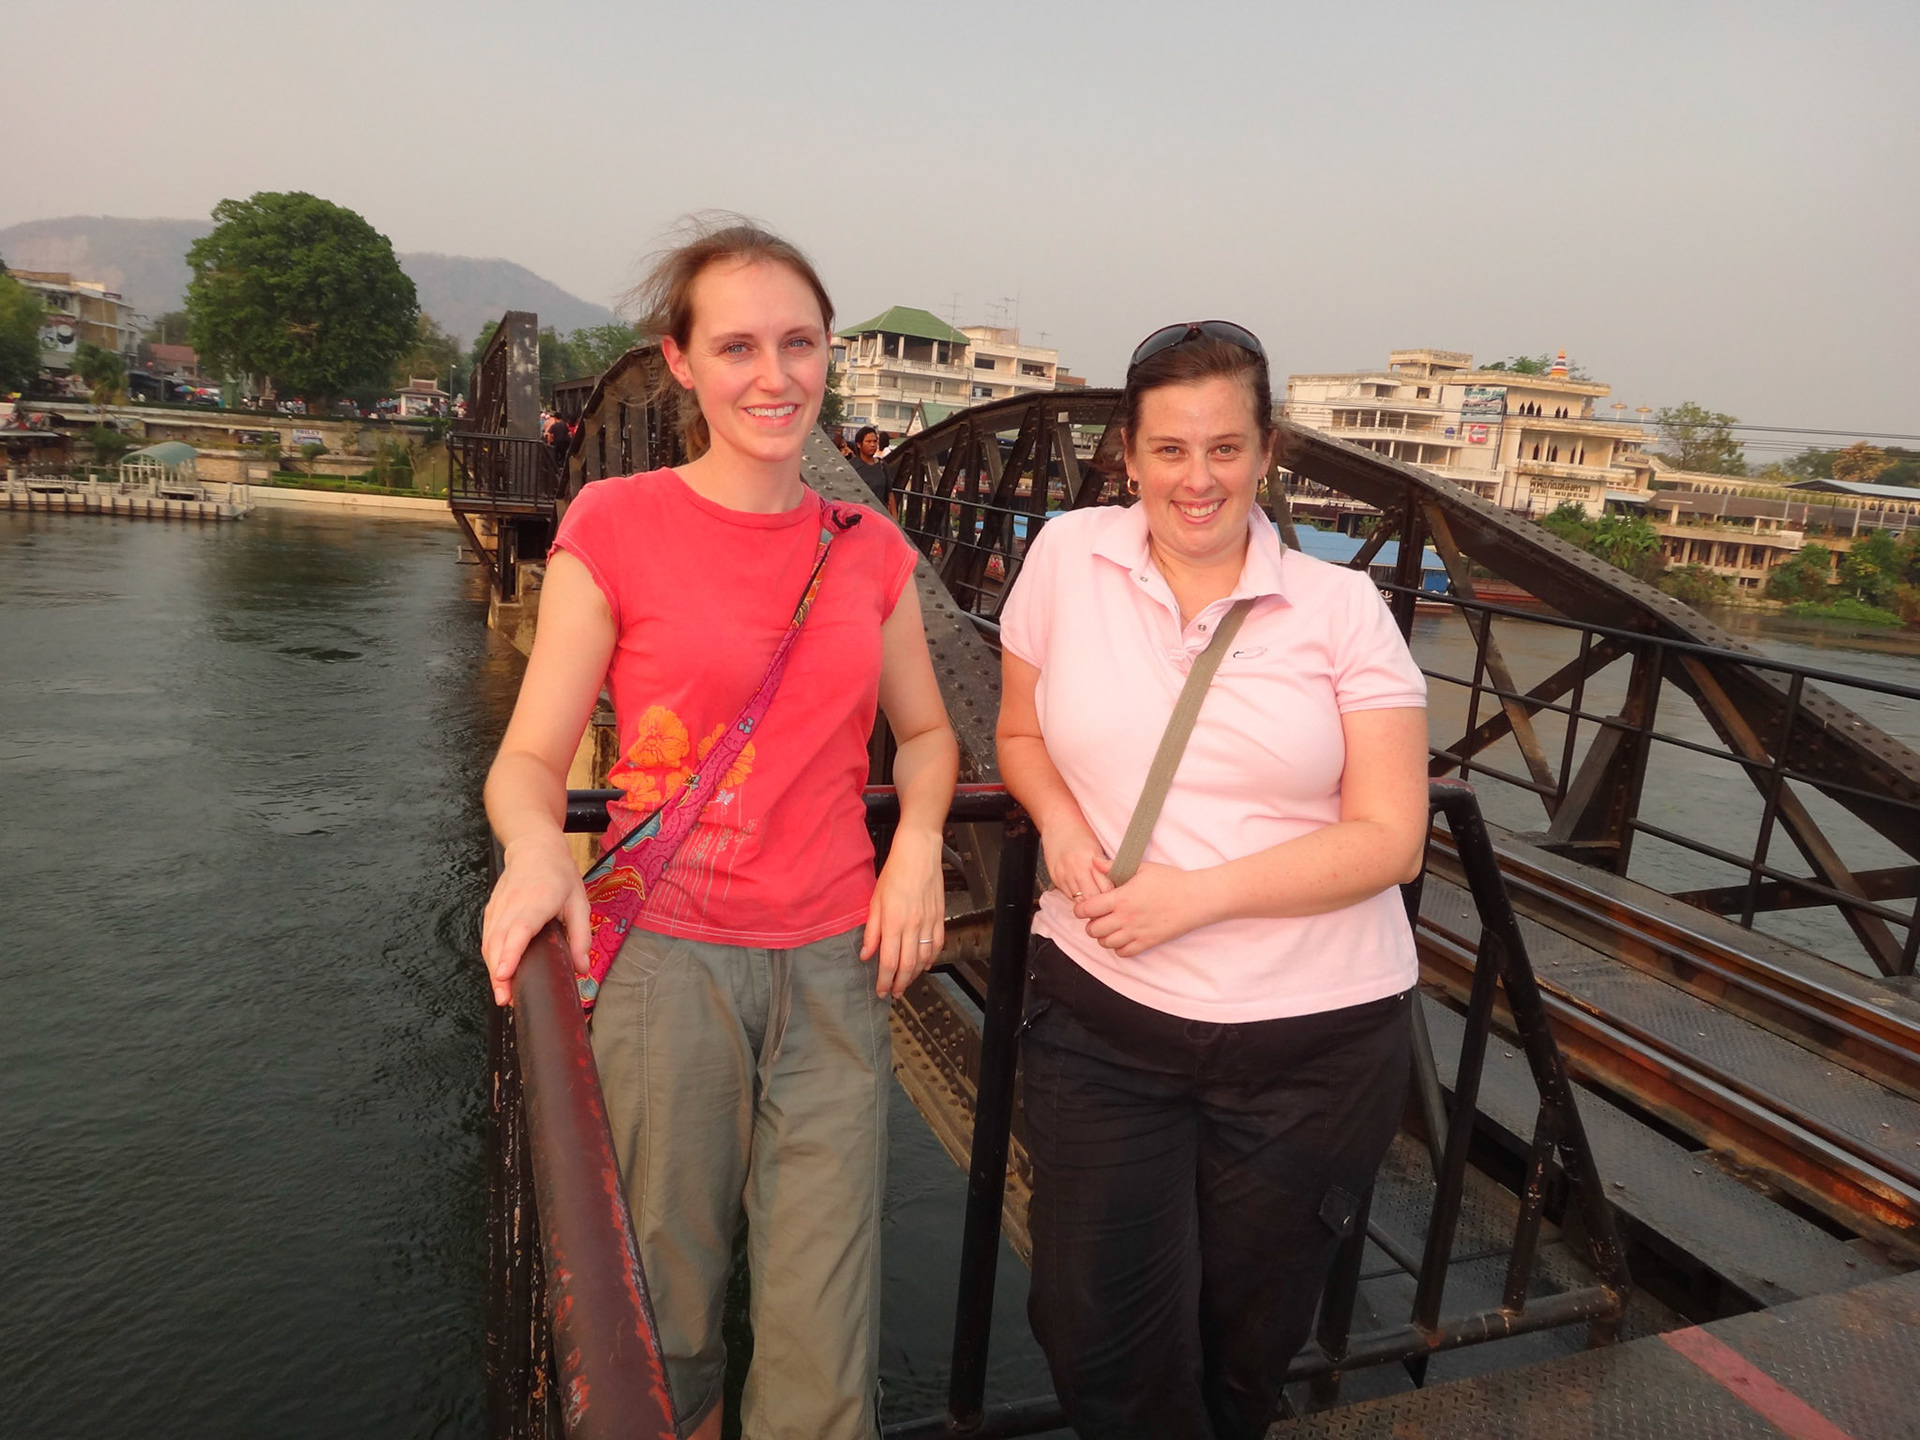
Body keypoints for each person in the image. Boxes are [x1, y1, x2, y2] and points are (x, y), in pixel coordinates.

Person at [480, 218, 959, 1440]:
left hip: (837, 967)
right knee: (665, 1316)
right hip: (671, 963)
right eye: (738, 346)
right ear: (680, 362)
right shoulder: (615, 521)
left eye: (799, 343)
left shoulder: (868, 548)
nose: (774, 375)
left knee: (824, 1333)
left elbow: (927, 733)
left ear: (829, 353)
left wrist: (914, 847)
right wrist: (537, 852)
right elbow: (529, 758)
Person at [995, 321, 1430, 1440]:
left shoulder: (1343, 610)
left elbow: (1392, 839)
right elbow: (1019, 733)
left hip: (1313, 1043)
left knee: (1244, 1354)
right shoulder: (1066, 558)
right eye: (1171, 449)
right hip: (1103, 1017)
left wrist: (1194, 895)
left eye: (1226, 448)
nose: (1199, 479)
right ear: (1128, 454)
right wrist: (1059, 825)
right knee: (1096, 1337)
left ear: (1266, 451)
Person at [846, 423, 889, 504]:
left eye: (875, 441)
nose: (872, 445)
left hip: (879, 510)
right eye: (868, 442)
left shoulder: (882, 465)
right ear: (859, 444)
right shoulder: (851, 466)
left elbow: (890, 494)